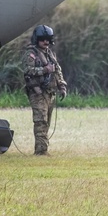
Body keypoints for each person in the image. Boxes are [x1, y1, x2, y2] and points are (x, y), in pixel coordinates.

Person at [22, 24, 67, 155]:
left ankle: (43, 149)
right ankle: (41, 152)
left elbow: (57, 70)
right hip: (38, 93)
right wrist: (44, 70)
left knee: (46, 122)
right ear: (37, 39)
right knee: (41, 122)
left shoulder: (49, 54)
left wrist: (62, 85)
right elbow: (27, 70)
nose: (45, 42)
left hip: (50, 93)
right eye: (42, 39)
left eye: (47, 39)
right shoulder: (30, 54)